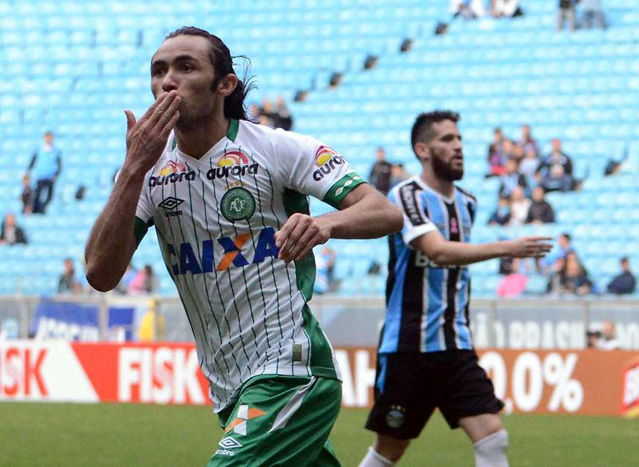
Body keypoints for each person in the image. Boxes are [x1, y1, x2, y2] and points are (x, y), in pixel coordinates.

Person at [84, 26, 402, 466]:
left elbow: (384, 211)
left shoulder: (279, 149)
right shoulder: (147, 173)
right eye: (158, 71)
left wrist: (325, 224)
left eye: (185, 67)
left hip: (291, 369)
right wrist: (133, 168)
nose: (167, 81)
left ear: (225, 84)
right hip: (229, 385)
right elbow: (100, 274)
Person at [359, 110, 551, 467]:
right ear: (423, 150)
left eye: (459, 139)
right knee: (389, 451)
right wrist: (509, 247)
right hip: (408, 347)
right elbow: (437, 251)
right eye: (447, 140)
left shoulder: (468, 203)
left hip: (455, 345)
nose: (458, 146)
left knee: (493, 436)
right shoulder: (407, 196)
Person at [27, 131, 62, 214]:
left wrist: (56, 175)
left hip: (50, 177)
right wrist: (28, 171)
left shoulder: (56, 151)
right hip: (41, 176)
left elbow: (59, 165)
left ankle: (43, 210)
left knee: (49, 196)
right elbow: (33, 161)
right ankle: (36, 210)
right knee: (38, 195)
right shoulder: (39, 150)